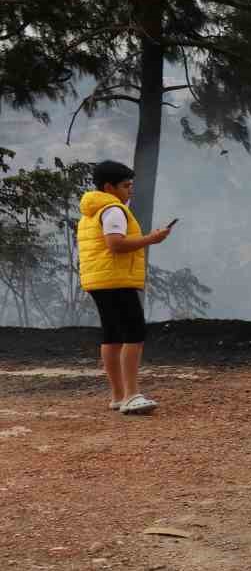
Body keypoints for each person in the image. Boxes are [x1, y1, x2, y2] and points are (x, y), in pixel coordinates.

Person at [77, 160, 172, 414]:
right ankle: (131, 394)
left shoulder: (92, 211)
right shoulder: (113, 210)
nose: (130, 190)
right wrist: (152, 238)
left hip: (100, 279)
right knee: (133, 333)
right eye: (126, 185)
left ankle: (119, 395)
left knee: (112, 336)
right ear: (109, 187)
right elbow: (115, 244)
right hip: (116, 279)